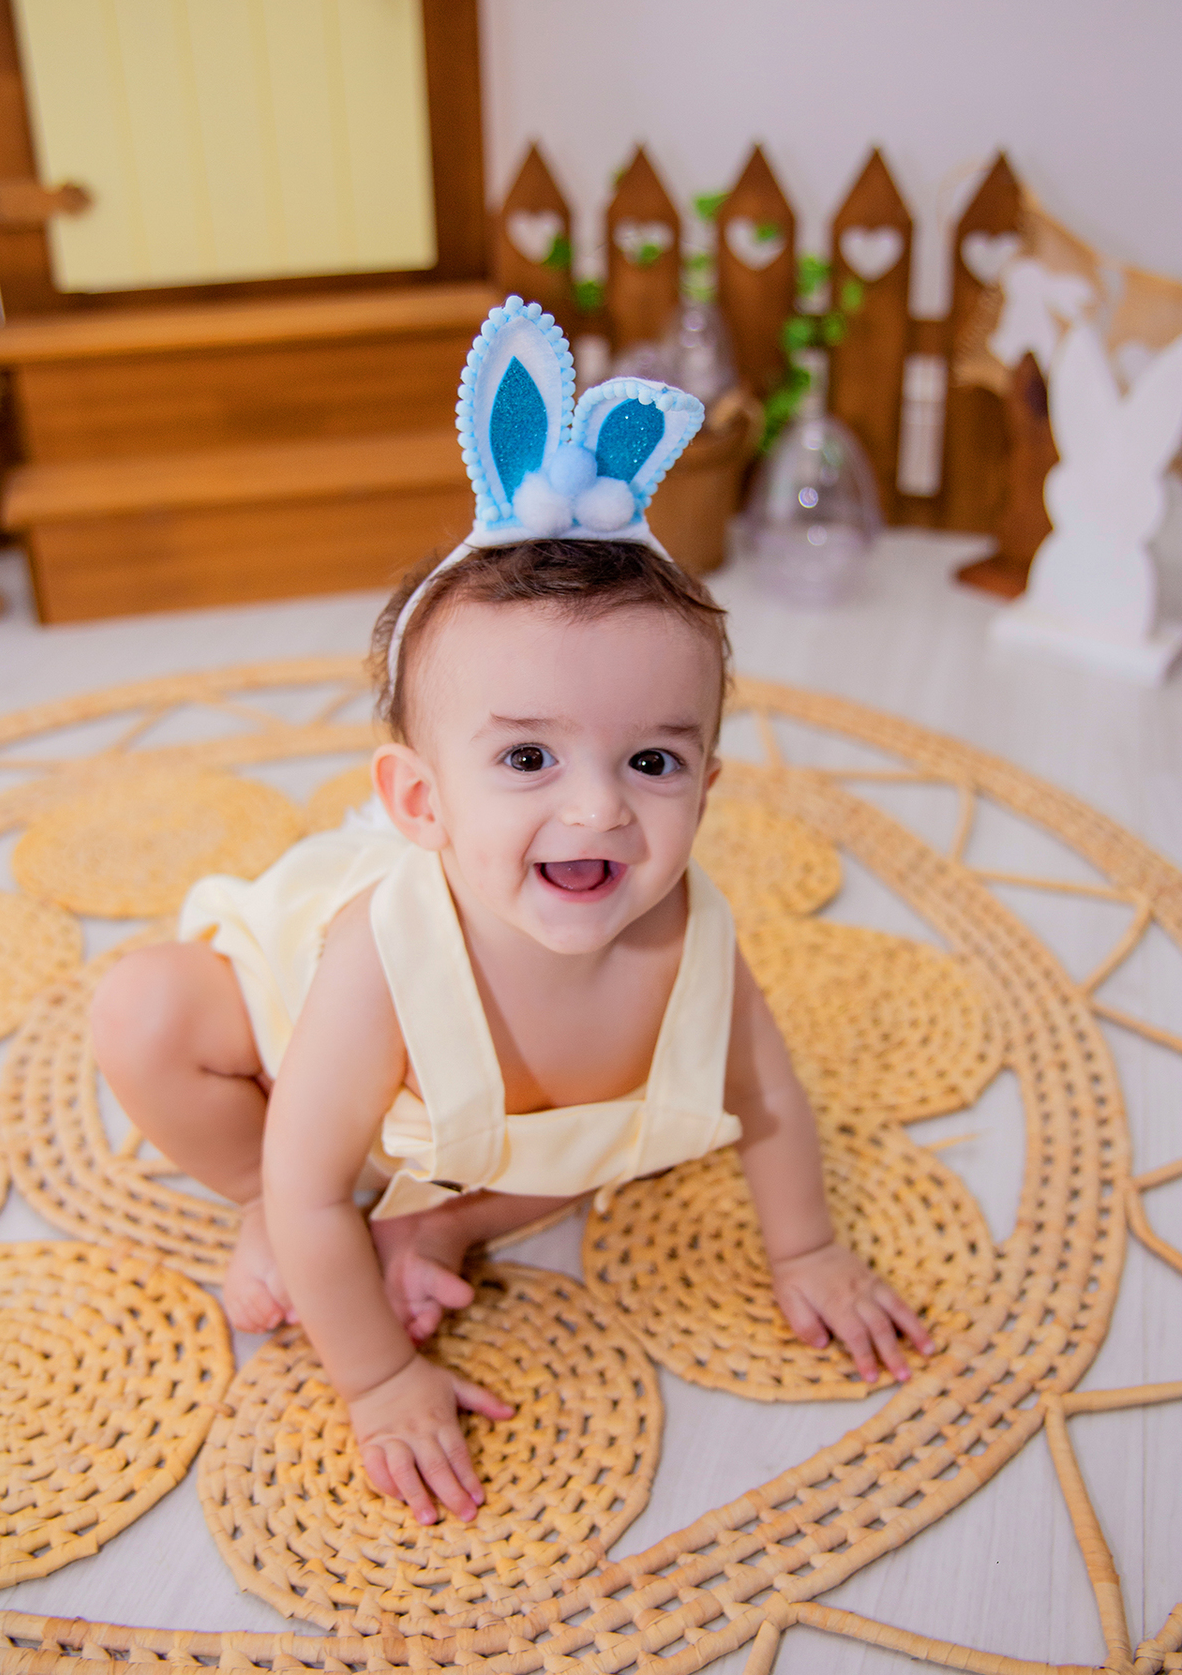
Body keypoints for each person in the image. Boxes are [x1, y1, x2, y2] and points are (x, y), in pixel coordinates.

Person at [91, 298, 935, 1533]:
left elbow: (770, 1106)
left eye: (652, 763)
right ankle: (270, 1208)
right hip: (316, 1073)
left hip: (485, 1139)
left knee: (633, 1131)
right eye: (528, 760)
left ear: (707, 783)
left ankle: (441, 1226)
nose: (597, 812)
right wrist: (376, 1377)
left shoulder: (691, 939)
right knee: (144, 1012)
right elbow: (320, 1182)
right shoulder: (380, 960)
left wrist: (807, 1252)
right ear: (422, 801)